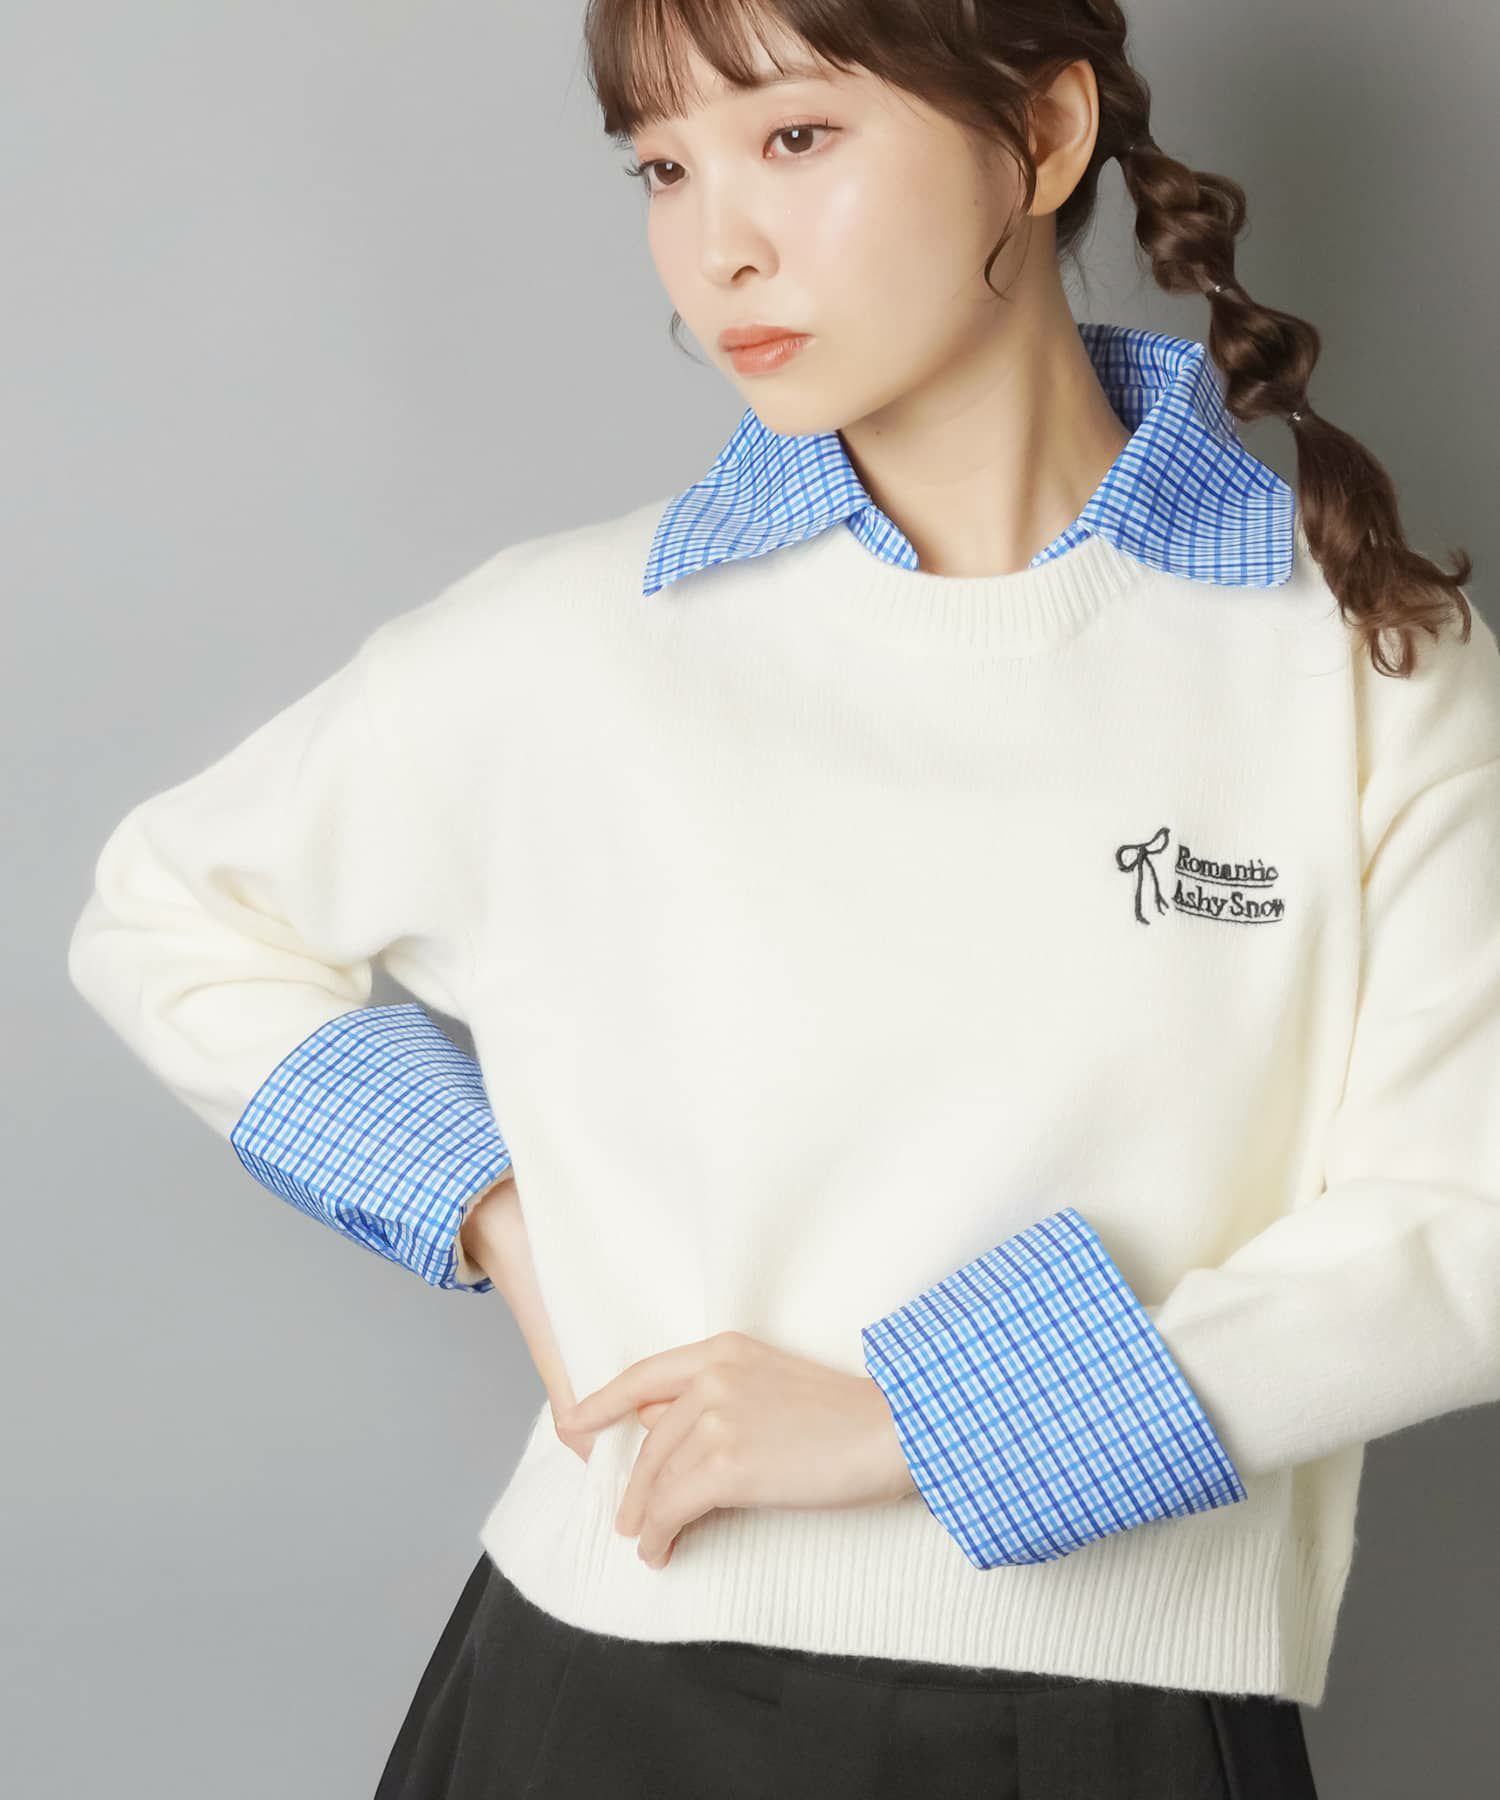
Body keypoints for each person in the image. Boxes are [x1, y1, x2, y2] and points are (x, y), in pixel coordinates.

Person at [66, 3, 1500, 1796]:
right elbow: (166, 913)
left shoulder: (1363, 662)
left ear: (1045, 136)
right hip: (602, 1679)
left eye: (797, 139)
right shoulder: (569, 646)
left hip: (1124, 1719)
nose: (715, 244)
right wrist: (498, 1210)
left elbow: (1466, 1224)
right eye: (664, 169)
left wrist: (911, 1422)